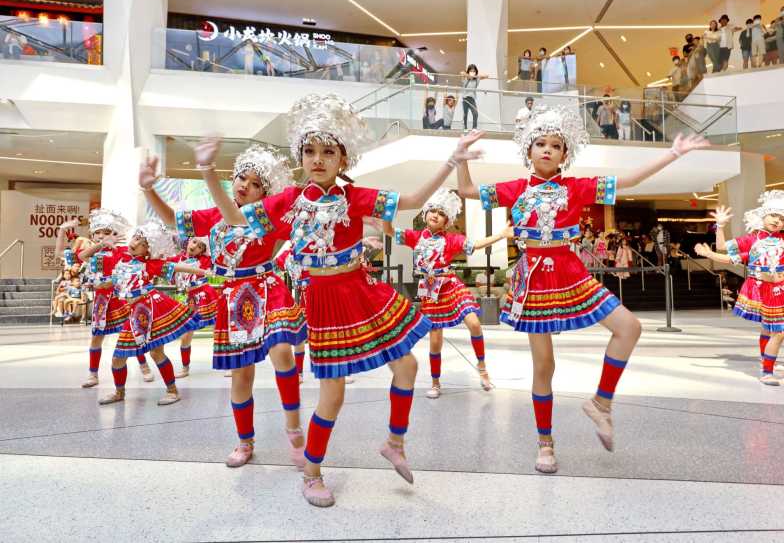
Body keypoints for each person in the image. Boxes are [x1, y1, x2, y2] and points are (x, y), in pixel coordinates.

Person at [193, 93, 485, 507]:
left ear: (343, 159)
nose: (317, 158)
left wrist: (451, 162)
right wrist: (207, 171)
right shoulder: (289, 201)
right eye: (309, 151)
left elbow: (415, 201)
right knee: (333, 395)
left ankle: (395, 442)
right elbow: (238, 217)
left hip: (365, 291)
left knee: (408, 363)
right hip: (325, 300)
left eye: (328, 151)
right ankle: (311, 473)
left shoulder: (357, 197)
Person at [456, 104, 709, 474]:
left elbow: (631, 181)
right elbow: (465, 190)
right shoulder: (513, 189)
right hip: (534, 281)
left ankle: (601, 403)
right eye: (539, 143)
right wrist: (460, 158)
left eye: (555, 145)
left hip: (572, 274)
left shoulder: (576, 187)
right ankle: (545, 444)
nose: (546, 149)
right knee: (544, 366)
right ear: (528, 150)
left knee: (630, 327)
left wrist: (672, 153)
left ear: (564, 154)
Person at [141, 144, 307, 469]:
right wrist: (147, 188)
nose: (244, 185)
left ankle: (294, 430)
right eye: (241, 177)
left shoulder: (269, 216)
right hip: (233, 297)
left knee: (283, 354)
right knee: (241, 375)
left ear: (266, 191)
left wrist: (207, 170)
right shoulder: (217, 213)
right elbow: (172, 219)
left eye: (255, 183)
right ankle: (245, 441)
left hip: (267, 287)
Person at [385, 188, 512, 398]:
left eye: (441, 213)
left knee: (474, 323)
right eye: (432, 210)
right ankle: (435, 383)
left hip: (451, 286)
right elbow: (389, 231)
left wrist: (501, 235)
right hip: (430, 292)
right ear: (425, 213)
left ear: (447, 221)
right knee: (435, 341)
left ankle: (482, 369)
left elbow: (476, 245)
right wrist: (386, 213)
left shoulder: (452, 239)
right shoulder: (414, 236)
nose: (435, 214)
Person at [694, 194, 784, 386]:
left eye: (782, 219)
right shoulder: (751, 239)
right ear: (763, 215)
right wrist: (719, 226)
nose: (777, 220)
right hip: (767, 290)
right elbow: (724, 249)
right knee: (775, 331)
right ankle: (767, 370)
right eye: (773, 215)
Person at [97, 220, 206, 406]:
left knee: (156, 353)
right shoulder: (121, 259)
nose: (135, 242)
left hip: (152, 308)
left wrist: (204, 270)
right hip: (134, 312)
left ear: (148, 250)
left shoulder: (150, 264)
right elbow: (103, 273)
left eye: (142, 242)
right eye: (136, 238)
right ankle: (119, 392)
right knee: (118, 357)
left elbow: (178, 267)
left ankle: (172, 391)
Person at [60, 212, 155, 388]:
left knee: (132, 335)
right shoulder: (90, 252)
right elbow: (80, 257)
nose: (102, 235)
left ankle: (144, 366)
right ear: (93, 235)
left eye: (106, 232)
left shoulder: (121, 251)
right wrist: (100, 244)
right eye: (98, 232)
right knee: (97, 337)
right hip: (102, 302)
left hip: (121, 299)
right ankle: (93, 374)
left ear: (114, 234)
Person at [167, 237, 219, 378]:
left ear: (203, 251)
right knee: (185, 336)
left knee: (218, 331)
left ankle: (229, 366)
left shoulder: (205, 260)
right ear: (188, 242)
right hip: (190, 299)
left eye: (200, 246)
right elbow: (163, 263)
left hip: (207, 295)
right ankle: (185, 368)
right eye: (194, 242)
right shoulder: (177, 259)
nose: (195, 246)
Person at [461, 64, 488, 130]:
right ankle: (465, 128)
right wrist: (469, 76)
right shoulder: (465, 78)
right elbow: (461, 72)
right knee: (465, 114)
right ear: (468, 71)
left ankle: (474, 128)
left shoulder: (476, 80)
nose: (472, 72)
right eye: (471, 71)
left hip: (472, 99)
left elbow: (486, 76)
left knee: (475, 113)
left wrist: (476, 76)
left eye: (474, 71)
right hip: (465, 98)